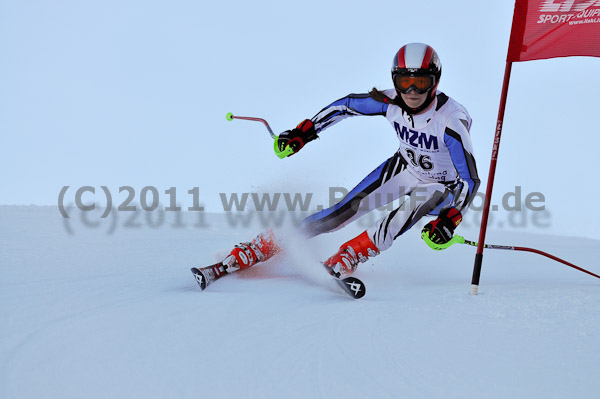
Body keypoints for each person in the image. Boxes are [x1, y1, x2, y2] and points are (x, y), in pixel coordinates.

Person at [197, 43, 480, 286]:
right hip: (404, 168)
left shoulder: (450, 121)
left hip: (443, 185)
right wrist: (304, 132)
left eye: (422, 82)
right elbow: (346, 105)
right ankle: (262, 245)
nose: (413, 91)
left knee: (403, 214)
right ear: (395, 81)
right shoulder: (389, 100)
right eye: (405, 82)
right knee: (340, 213)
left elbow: (469, 180)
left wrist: (451, 218)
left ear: (436, 81)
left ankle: (351, 254)